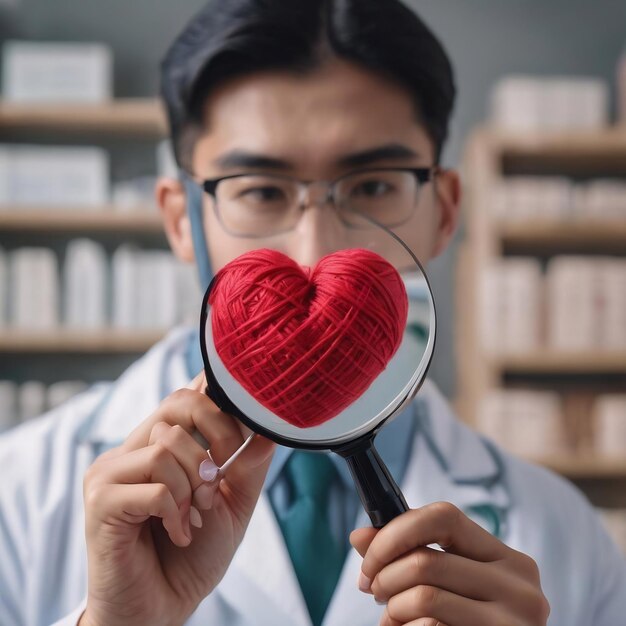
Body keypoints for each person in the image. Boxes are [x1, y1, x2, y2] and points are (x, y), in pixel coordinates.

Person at [1, 1, 625, 625]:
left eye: (374, 186)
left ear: (445, 211)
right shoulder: (18, 495)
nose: (316, 248)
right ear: (179, 221)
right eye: (262, 191)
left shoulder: (566, 535)